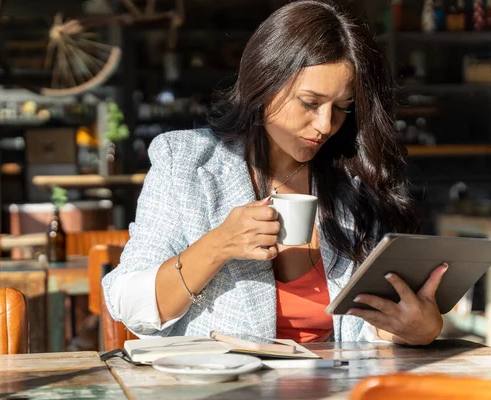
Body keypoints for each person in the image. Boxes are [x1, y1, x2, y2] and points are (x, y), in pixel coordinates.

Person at [102, 0, 447, 345]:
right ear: (265, 81)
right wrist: (216, 247)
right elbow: (129, 306)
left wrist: (415, 329)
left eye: (342, 108)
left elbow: (363, 331)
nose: (326, 125)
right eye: (310, 103)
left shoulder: (354, 178)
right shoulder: (188, 163)